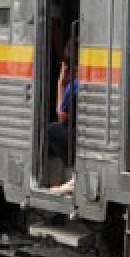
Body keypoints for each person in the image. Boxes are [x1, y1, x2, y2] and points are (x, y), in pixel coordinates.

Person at [46, 36, 78, 166]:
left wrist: (60, 84)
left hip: (80, 137)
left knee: (52, 129)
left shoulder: (74, 85)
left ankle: (72, 167)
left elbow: (61, 116)